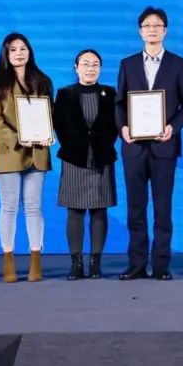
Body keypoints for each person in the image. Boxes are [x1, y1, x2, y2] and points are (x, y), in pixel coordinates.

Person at [114, 7, 183, 281]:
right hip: (134, 147)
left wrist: (173, 127)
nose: (152, 29)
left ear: (165, 31)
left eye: (157, 25)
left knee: (162, 208)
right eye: (147, 25)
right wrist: (123, 128)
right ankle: (136, 264)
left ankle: (160, 265)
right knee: (135, 208)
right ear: (140, 31)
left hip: (164, 146)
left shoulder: (179, 64)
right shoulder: (128, 64)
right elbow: (119, 103)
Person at [0, 32, 54, 283]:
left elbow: (50, 114)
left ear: (30, 52)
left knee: (34, 206)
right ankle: (8, 259)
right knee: (9, 206)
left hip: (37, 152)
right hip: (8, 152)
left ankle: (36, 259)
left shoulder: (42, 81)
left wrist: (49, 133)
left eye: (23, 48)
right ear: (6, 53)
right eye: (13, 49)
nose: (19, 53)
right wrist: (17, 138)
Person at [53, 49, 117, 280]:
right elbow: (58, 125)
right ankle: (76, 263)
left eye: (95, 64)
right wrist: (74, 145)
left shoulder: (110, 93)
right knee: (75, 211)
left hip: (102, 157)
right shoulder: (64, 94)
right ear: (76, 67)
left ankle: (95, 263)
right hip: (74, 157)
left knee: (100, 210)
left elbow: (116, 125)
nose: (91, 68)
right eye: (86, 63)